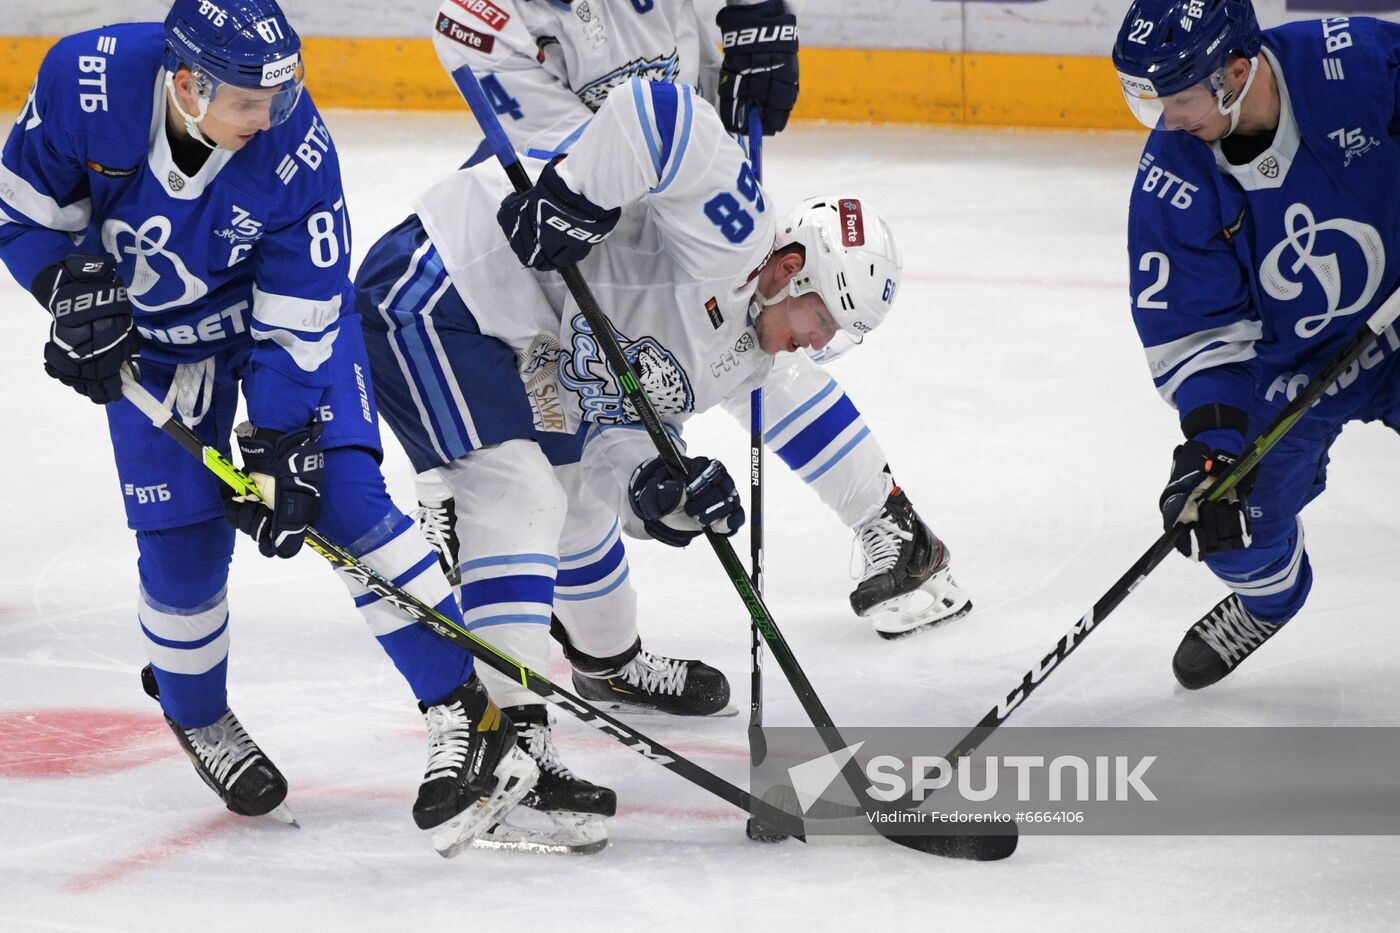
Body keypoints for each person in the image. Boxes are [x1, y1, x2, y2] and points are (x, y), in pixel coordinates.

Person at [0, 0, 540, 858]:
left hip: (277, 338)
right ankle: (197, 713)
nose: (273, 117)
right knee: (179, 560)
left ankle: (463, 711)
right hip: (156, 355)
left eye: (278, 97)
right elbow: (23, 213)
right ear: (186, 84)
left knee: (349, 506)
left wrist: (283, 444)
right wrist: (68, 292)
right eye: (250, 102)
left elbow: (302, 316)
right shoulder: (86, 79)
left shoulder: (296, 150)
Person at [355, 77, 903, 853]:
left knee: (572, 507)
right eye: (823, 319)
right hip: (441, 285)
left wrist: (659, 489)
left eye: (837, 335)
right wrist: (575, 198)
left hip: (530, 345)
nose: (819, 343)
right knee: (520, 500)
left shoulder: (740, 359)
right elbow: (659, 112)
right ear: (788, 269)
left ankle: (589, 676)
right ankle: (509, 748)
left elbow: (615, 430)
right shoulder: (738, 232)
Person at [420, 0, 970, 647]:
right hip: (591, 228)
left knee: (765, 344)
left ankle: (889, 518)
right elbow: (566, 145)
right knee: (563, 402)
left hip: (682, 201)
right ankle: (464, 500)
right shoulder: (490, 15)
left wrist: (759, 11)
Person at [1112, 1, 1400, 689]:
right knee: (1232, 526)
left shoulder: (1356, 66)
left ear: (1235, 72)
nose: (1167, 121)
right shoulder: (1175, 175)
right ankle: (1271, 599)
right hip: (1285, 368)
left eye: (1177, 99)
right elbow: (1196, 330)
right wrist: (1211, 445)